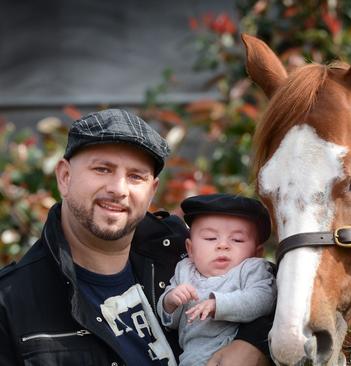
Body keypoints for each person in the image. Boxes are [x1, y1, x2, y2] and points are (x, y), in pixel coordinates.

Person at [0, 109, 272, 365]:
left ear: (152, 191)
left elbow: (281, 291)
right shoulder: (13, 301)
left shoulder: (180, 253)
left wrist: (253, 344)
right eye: (102, 169)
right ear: (65, 176)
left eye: (135, 176)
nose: (119, 189)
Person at [157, 193, 276, 366]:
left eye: (237, 239)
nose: (223, 245)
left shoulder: (251, 268)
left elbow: (264, 299)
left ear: (257, 252)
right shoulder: (184, 270)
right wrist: (170, 302)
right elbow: (170, 322)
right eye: (210, 238)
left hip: (234, 351)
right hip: (191, 358)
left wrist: (219, 304)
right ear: (190, 249)